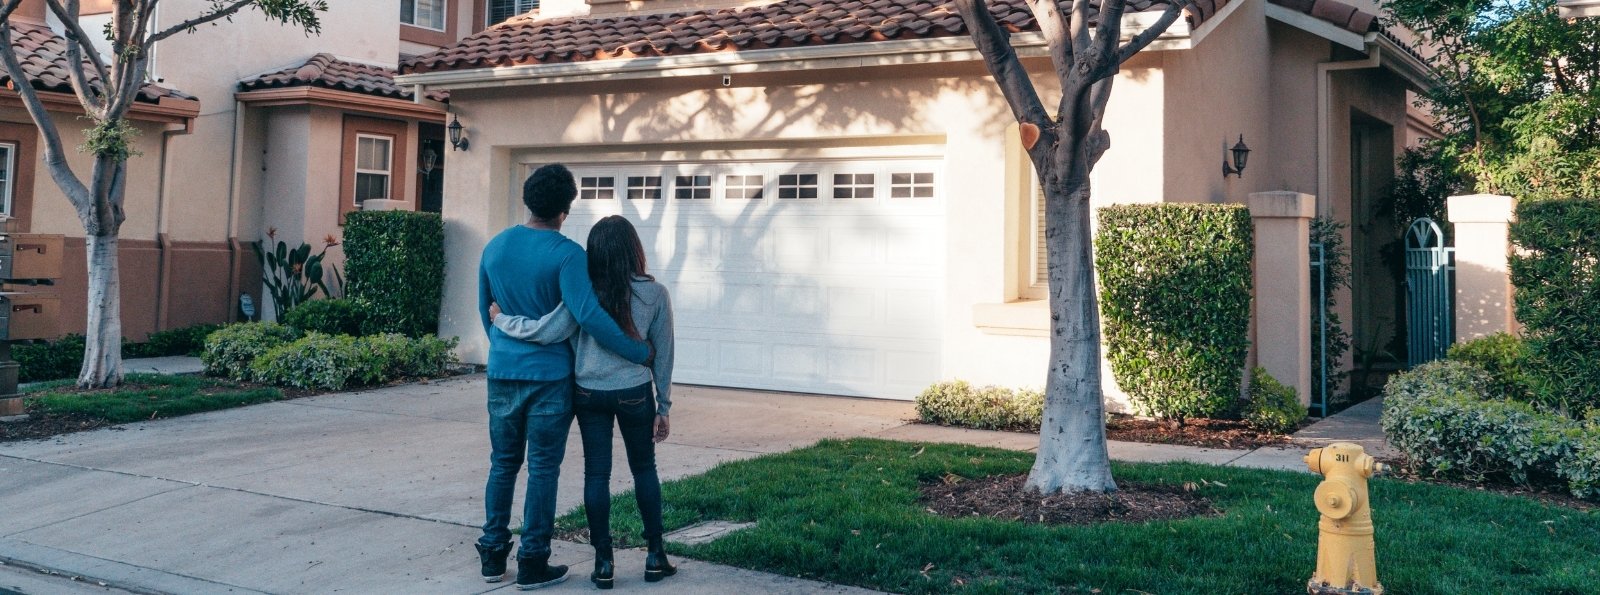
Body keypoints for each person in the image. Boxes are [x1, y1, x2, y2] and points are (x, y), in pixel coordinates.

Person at [476, 165, 651, 590]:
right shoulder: (568, 254)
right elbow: (589, 316)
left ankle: (493, 555)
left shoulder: (495, 247)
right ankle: (533, 561)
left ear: (528, 201)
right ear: (565, 209)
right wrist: (638, 351)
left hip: (503, 372)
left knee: (503, 463)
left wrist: (506, 351)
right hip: (550, 378)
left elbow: (486, 311)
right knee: (542, 469)